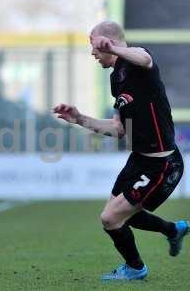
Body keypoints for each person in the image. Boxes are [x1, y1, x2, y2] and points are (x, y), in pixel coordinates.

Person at [53, 21, 188, 281]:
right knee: (120, 217)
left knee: (110, 218)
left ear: (108, 43)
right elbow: (118, 128)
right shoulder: (116, 78)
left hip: (163, 164)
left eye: (94, 46)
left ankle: (136, 269)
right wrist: (79, 119)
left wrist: (115, 48)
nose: (92, 53)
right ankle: (173, 230)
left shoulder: (139, 63)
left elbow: (145, 58)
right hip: (138, 160)